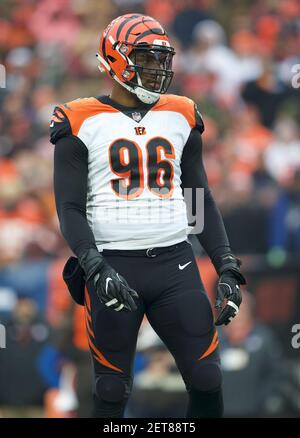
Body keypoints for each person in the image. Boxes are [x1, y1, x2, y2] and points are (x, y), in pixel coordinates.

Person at [50, 13, 246, 418]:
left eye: (162, 59)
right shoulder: (79, 119)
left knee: (208, 378)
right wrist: (93, 264)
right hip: (114, 266)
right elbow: (68, 207)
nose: (158, 69)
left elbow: (196, 197)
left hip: (176, 263)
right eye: (146, 57)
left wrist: (225, 263)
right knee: (110, 389)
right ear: (115, 58)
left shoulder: (181, 112)